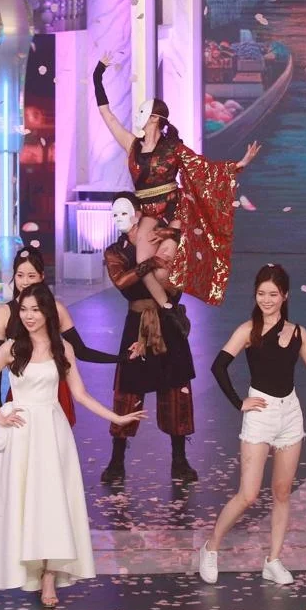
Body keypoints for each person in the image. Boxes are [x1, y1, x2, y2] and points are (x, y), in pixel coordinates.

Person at [0, 283, 145, 608]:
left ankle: (48, 578)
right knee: (7, 503)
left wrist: (117, 417)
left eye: (35, 309)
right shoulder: (11, 348)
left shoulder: (63, 348)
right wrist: (0, 416)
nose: (29, 316)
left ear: (48, 312)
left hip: (52, 431)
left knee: (52, 504)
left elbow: (80, 394)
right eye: (24, 310)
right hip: (21, 432)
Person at [198, 264, 306, 585]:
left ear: (285, 296)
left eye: (273, 294)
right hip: (260, 413)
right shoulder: (248, 330)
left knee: (282, 492)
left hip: (291, 414)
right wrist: (240, 402)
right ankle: (210, 548)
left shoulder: (298, 333)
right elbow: (218, 366)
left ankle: (273, 560)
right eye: (261, 293)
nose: (266, 300)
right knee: (248, 495)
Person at [0, 246, 120, 572]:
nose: (24, 281)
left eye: (31, 275)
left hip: (52, 396)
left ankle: (46, 558)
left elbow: (78, 351)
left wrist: (120, 359)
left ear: (42, 278)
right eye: (20, 275)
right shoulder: (5, 314)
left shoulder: (54, 309)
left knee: (49, 476)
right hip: (19, 398)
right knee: (5, 479)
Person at [93, 56, 255, 305]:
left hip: (173, 212)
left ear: (154, 118)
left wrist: (239, 165)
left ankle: (173, 304)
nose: (137, 115)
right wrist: (98, 74)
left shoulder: (173, 148)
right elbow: (108, 115)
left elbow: (203, 168)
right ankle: (165, 306)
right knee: (143, 263)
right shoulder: (132, 145)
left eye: (142, 111)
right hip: (148, 213)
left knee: (162, 272)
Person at [100, 192, 197, 484]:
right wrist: (150, 262)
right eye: (114, 213)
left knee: (177, 388)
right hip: (136, 324)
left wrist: (165, 248)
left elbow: (177, 279)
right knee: (127, 391)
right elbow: (122, 282)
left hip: (167, 322)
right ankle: (117, 459)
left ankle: (179, 459)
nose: (119, 218)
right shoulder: (114, 251)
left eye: (124, 211)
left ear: (138, 213)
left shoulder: (162, 238)